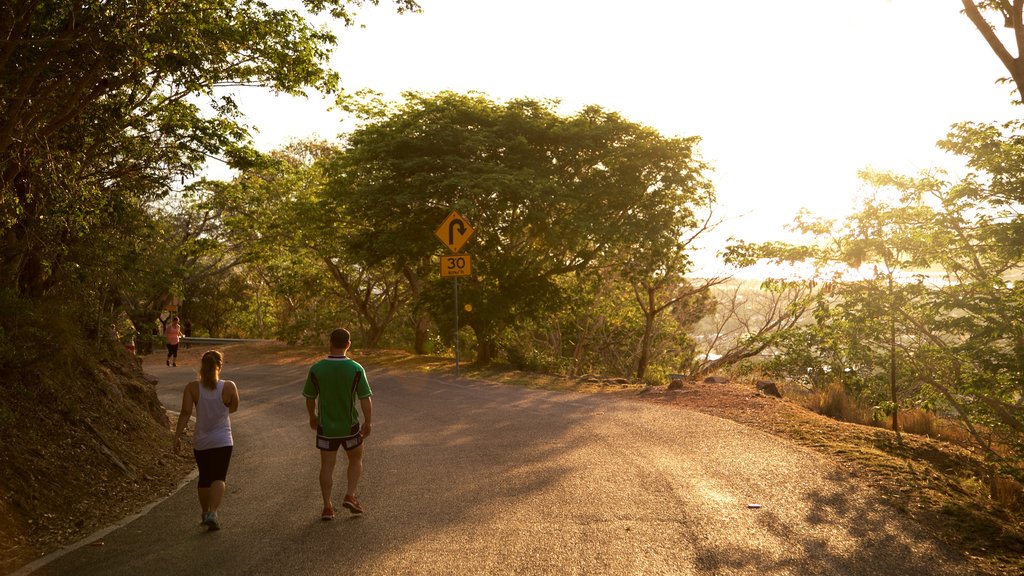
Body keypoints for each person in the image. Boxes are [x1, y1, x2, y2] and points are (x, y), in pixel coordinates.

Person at [303, 328, 373, 518]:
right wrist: (368, 422)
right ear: (348, 344)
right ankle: (350, 495)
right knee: (356, 460)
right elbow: (365, 398)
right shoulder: (356, 369)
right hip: (350, 427)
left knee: (327, 466)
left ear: (330, 342)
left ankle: (327, 506)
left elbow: (310, 397)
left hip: (326, 428)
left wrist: (312, 415)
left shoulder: (317, 369)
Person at [173, 350, 240, 530]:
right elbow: (234, 407)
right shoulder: (229, 386)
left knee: (204, 477)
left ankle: (204, 513)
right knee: (219, 477)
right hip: (223, 439)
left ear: (202, 365)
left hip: (201, 440)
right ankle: (213, 512)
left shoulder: (192, 387)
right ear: (220, 365)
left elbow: (186, 412)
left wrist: (177, 436)